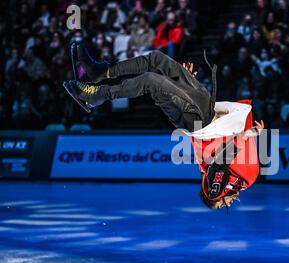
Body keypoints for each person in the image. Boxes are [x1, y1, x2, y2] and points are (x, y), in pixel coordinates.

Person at [64, 43, 265, 210]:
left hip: (202, 122)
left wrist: (246, 136)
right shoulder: (242, 181)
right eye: (223, 205)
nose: (226, 205)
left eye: (221, 206)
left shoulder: (216, 190)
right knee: (157, 59)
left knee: (152, 81)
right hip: (207, 111)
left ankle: (98, 95)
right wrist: (185, 84)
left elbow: (220, 163)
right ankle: (100, 72)